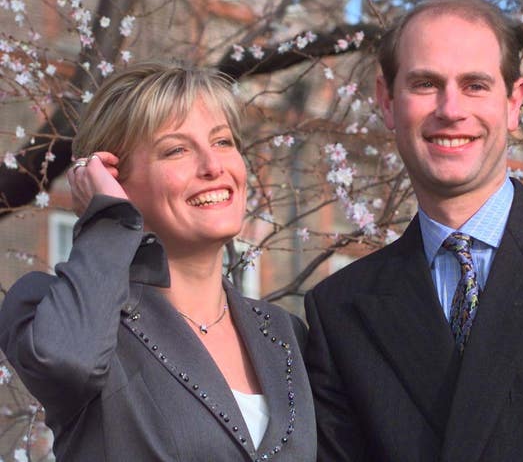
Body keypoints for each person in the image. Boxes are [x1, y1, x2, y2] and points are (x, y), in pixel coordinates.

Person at [304, 0, 523, 461]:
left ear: (513, 102)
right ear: (386, 101)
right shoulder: (339, 311)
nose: (451, 109)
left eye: (475, 85)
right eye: (425, 83)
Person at [0, 63, 316, 461]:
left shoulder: (286, 334)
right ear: (115, 179)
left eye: (222, 142)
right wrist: (110, 218)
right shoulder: (61, 314)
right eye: (177, 150)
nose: (214, 166)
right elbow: (65, 363)